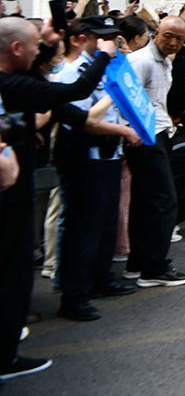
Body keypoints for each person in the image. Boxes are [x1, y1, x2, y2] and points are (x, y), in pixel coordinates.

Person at [0, 16, 114, 375]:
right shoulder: (13, 84)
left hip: (18, 192)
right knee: (12, 275)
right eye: (34, 45)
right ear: (17, 49)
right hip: (10, 196)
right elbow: (75, 94)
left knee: (16, 274)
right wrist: (103, 58)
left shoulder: (20, 82)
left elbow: (65, 110)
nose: (40, 52)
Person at [55, 16, 144, 322]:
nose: (108, 43)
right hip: (86, 158)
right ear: (82, 38)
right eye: (101, 37)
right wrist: (123, 132)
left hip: (107, 155)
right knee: (85, 230)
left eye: (113, 37)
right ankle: (75, 295)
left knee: (106, 223)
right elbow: (80, 120)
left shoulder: (104, 69)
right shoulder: (74, 73)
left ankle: (101, 278)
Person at [124, 16, 185, 288]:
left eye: (180, 39)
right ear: (155, 33)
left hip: (159, 134)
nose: (173, 42)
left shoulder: (164, 59)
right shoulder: (141, 60)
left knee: (145, 202)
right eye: (168, 36)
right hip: (146, 138)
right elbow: (123, 99)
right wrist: (135, 131)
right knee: (164, 202)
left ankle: (138, 264)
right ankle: (154, 267)